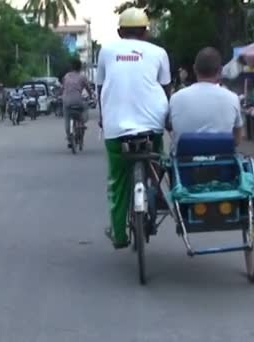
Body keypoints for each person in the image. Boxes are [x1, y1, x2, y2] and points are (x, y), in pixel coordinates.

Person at [96, 7, 171, 249]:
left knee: (118, 182)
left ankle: (119, 235)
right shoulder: (159, 52)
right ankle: (154, 191)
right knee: (157, 161)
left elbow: (101, 89)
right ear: (146, 33)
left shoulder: (106, 50)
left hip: (116, 127)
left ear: (120, 32)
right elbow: (165, 90)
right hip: (152, 125)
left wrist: (103, 116)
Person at [169, 47, 243, 150]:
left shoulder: (176, 98)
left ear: (195, 69)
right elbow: (237, 139)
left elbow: (172, 127)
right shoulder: (233, 98)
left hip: (184, 161)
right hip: (222, 161)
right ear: (220, 70)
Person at [62, 58, 93, 148]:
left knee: (67, 118)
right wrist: (91, 96)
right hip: (78, 101)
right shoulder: (82, 77)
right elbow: (88, 88)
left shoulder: (66, 76)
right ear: (80, 68)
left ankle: (69, 136)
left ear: (71, 67)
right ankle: (82, 123)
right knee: (85, 107)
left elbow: (62, 88)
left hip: (67, 102)